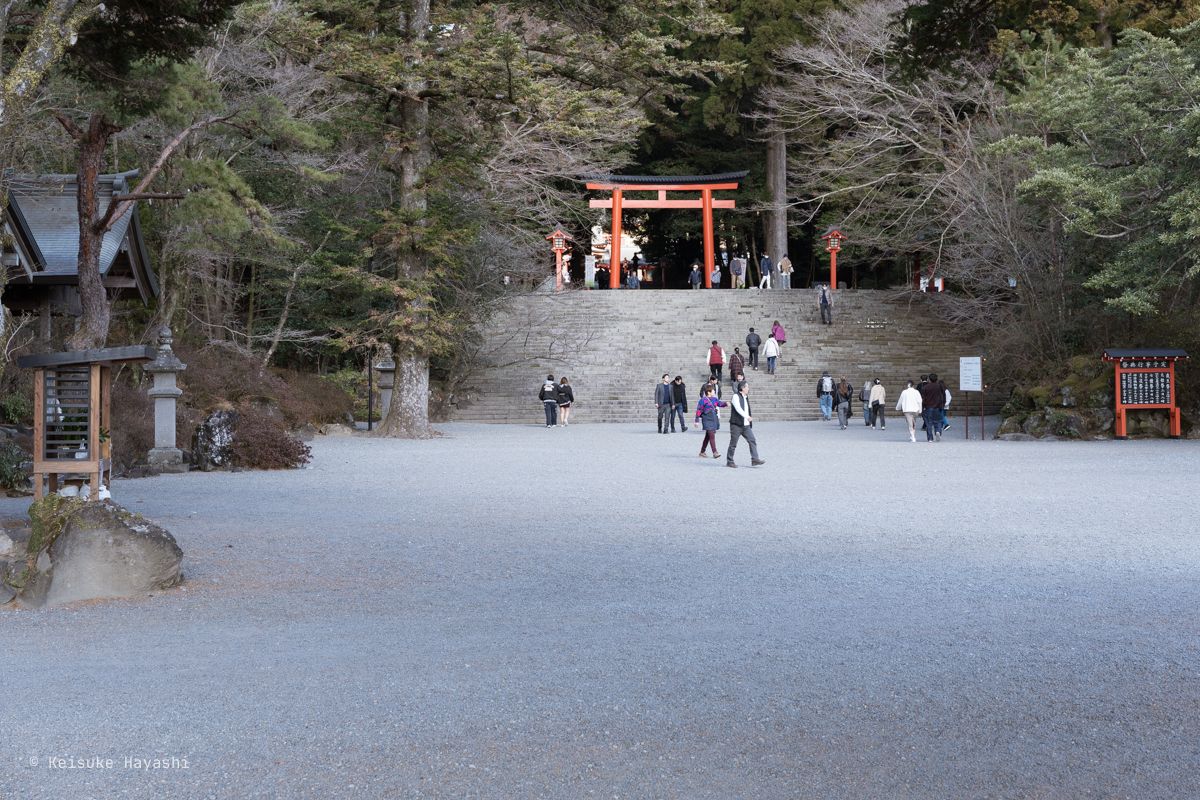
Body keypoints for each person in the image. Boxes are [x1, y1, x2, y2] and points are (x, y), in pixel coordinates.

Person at [726, 381, 765, 468]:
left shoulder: (746, 397)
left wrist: (749, 421)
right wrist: (747, 416)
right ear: (743, 388)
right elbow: (738, 408)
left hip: (746, 425)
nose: (748, 388)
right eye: (747, 387)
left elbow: (747, 409)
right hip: (736, 424)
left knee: (752, 440)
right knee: (733, 444)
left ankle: (755, 459)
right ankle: (730, 461)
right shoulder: (735, 396)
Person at [695, 386, 727, 459]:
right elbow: (699, 410)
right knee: (711, 435)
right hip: (706, 419)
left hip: (713, 419)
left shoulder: (715, 399)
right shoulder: (702, 400)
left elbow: (720, 404)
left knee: (708, 436)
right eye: (713, 391)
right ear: (708, 392)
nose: (714, 392)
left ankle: (702, 452)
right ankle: (715, 452)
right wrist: (697, 421)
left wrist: (726, 404)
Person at [920, 372, 946, 441]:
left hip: (928, 407)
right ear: (937, 379)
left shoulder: (925, 387)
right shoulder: (940, 386)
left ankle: (930, 438)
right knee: (939, 421)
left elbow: (923, 398)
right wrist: (943, 405)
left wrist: (923, 407)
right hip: (938, 406)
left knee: (929, 423)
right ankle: (938, 431)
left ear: (929, 379)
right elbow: (943, 396)